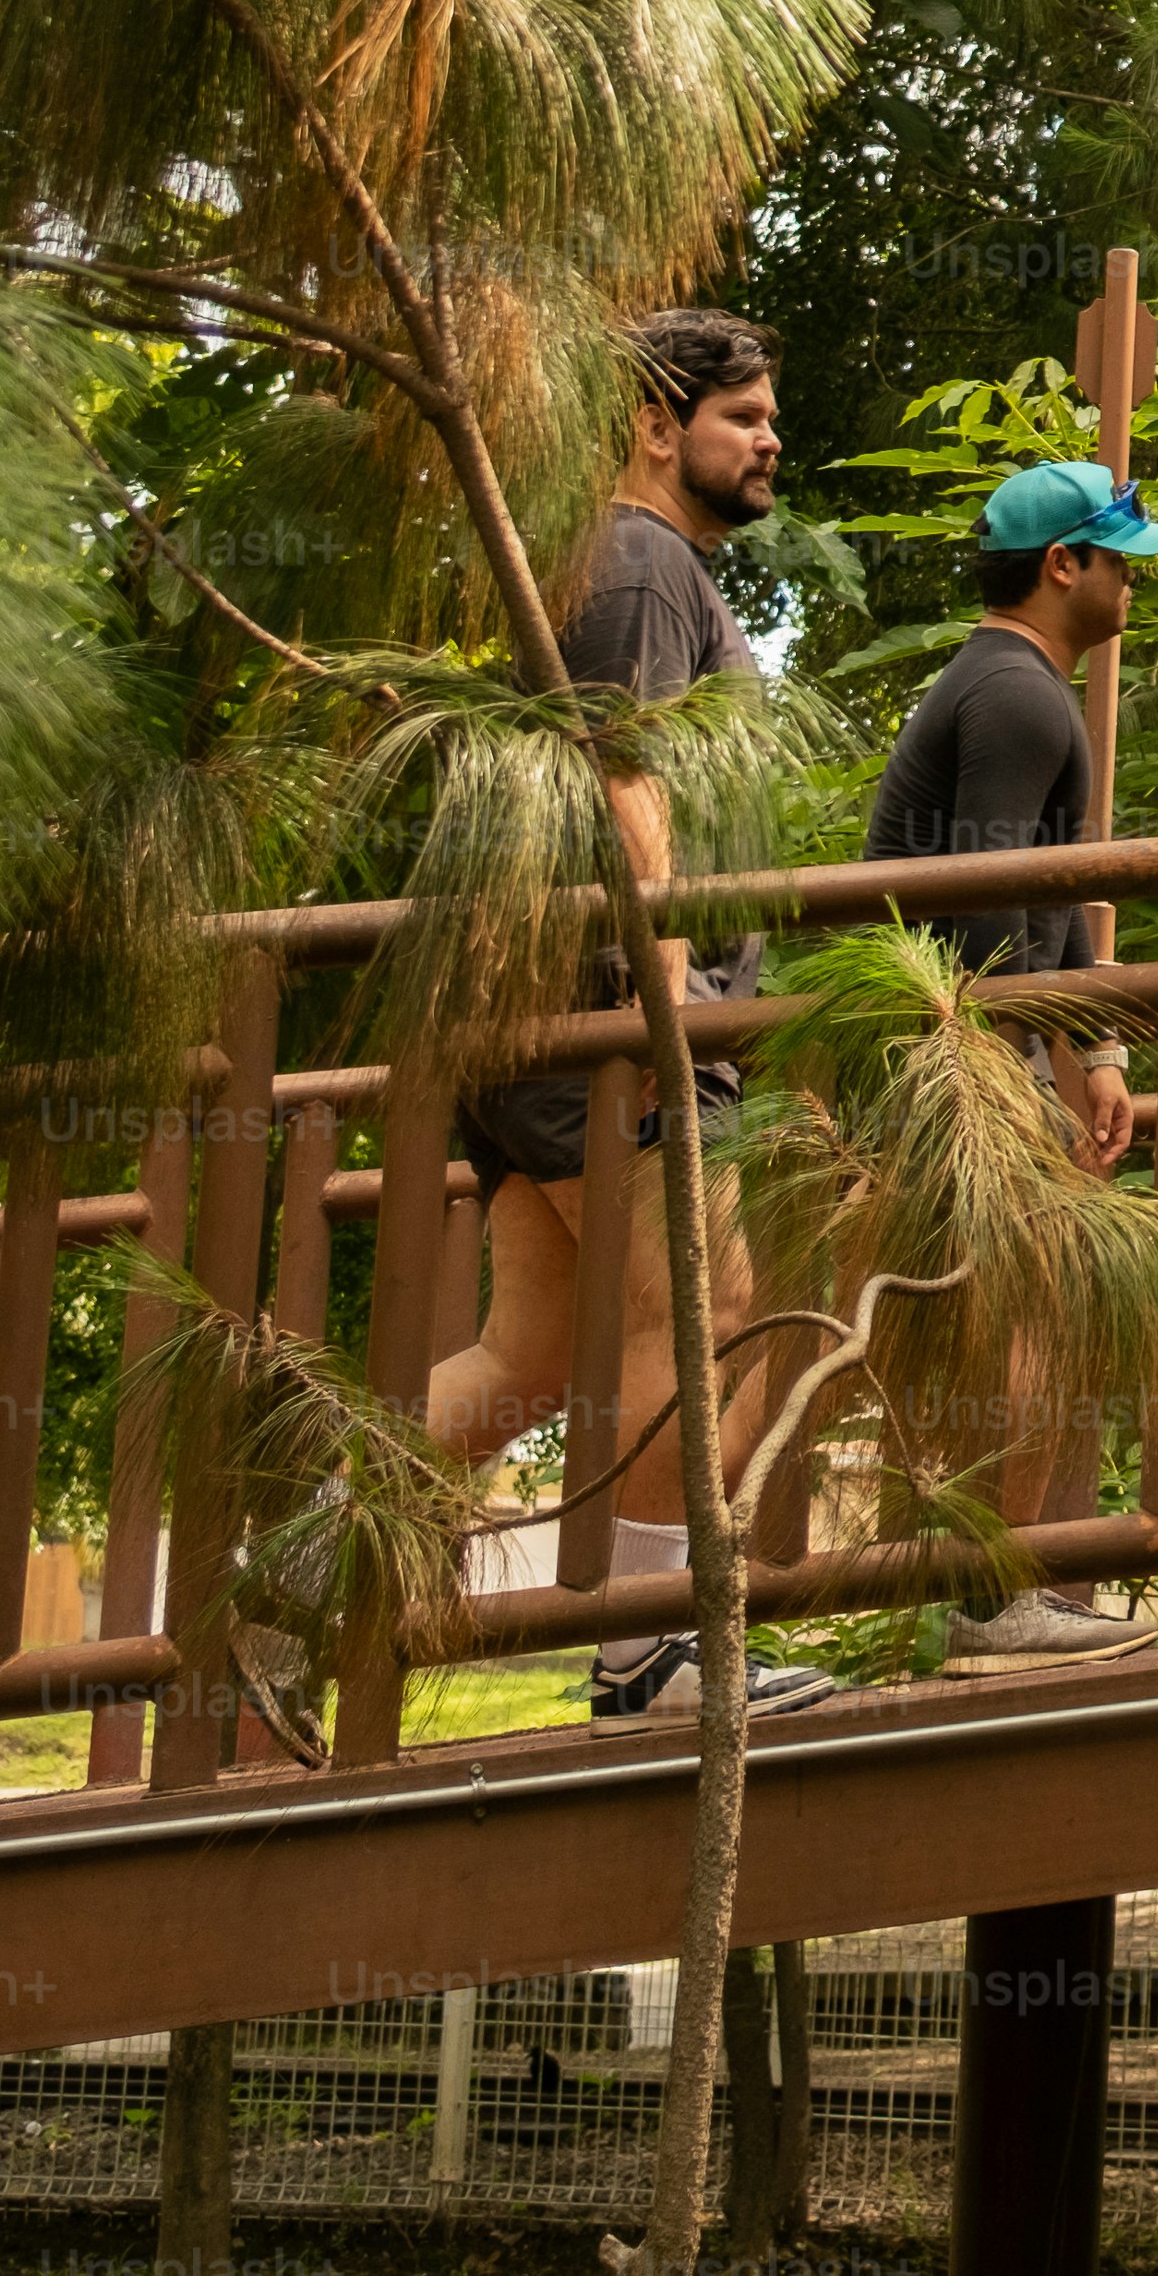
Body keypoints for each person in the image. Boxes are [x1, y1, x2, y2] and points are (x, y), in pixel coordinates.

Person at [425, 306, 836, 1722]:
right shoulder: (645, 561)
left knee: (530, 1357)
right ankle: (650, 1644)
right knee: (710, 1308)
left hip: (538, 1024)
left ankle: (293, 1587)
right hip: (606, 1026)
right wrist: (664, 987)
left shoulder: (636, 565)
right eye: (744, 415)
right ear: (660, 429)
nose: (770, 437)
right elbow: (623, 776)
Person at [862, 455, 1158, 1661]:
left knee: (997, 1320)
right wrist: (1053, 1068)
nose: (1131, 587)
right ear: (1064, 566)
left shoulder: (1013, 685)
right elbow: (990, 913)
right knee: (1032, 1316)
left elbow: (1049, 896)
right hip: (948, 1064)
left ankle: (988, 1589)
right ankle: (991, 1599)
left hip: (959, 1054)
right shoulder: (1020, 698)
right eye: (1121, 562)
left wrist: (1092, 1044)